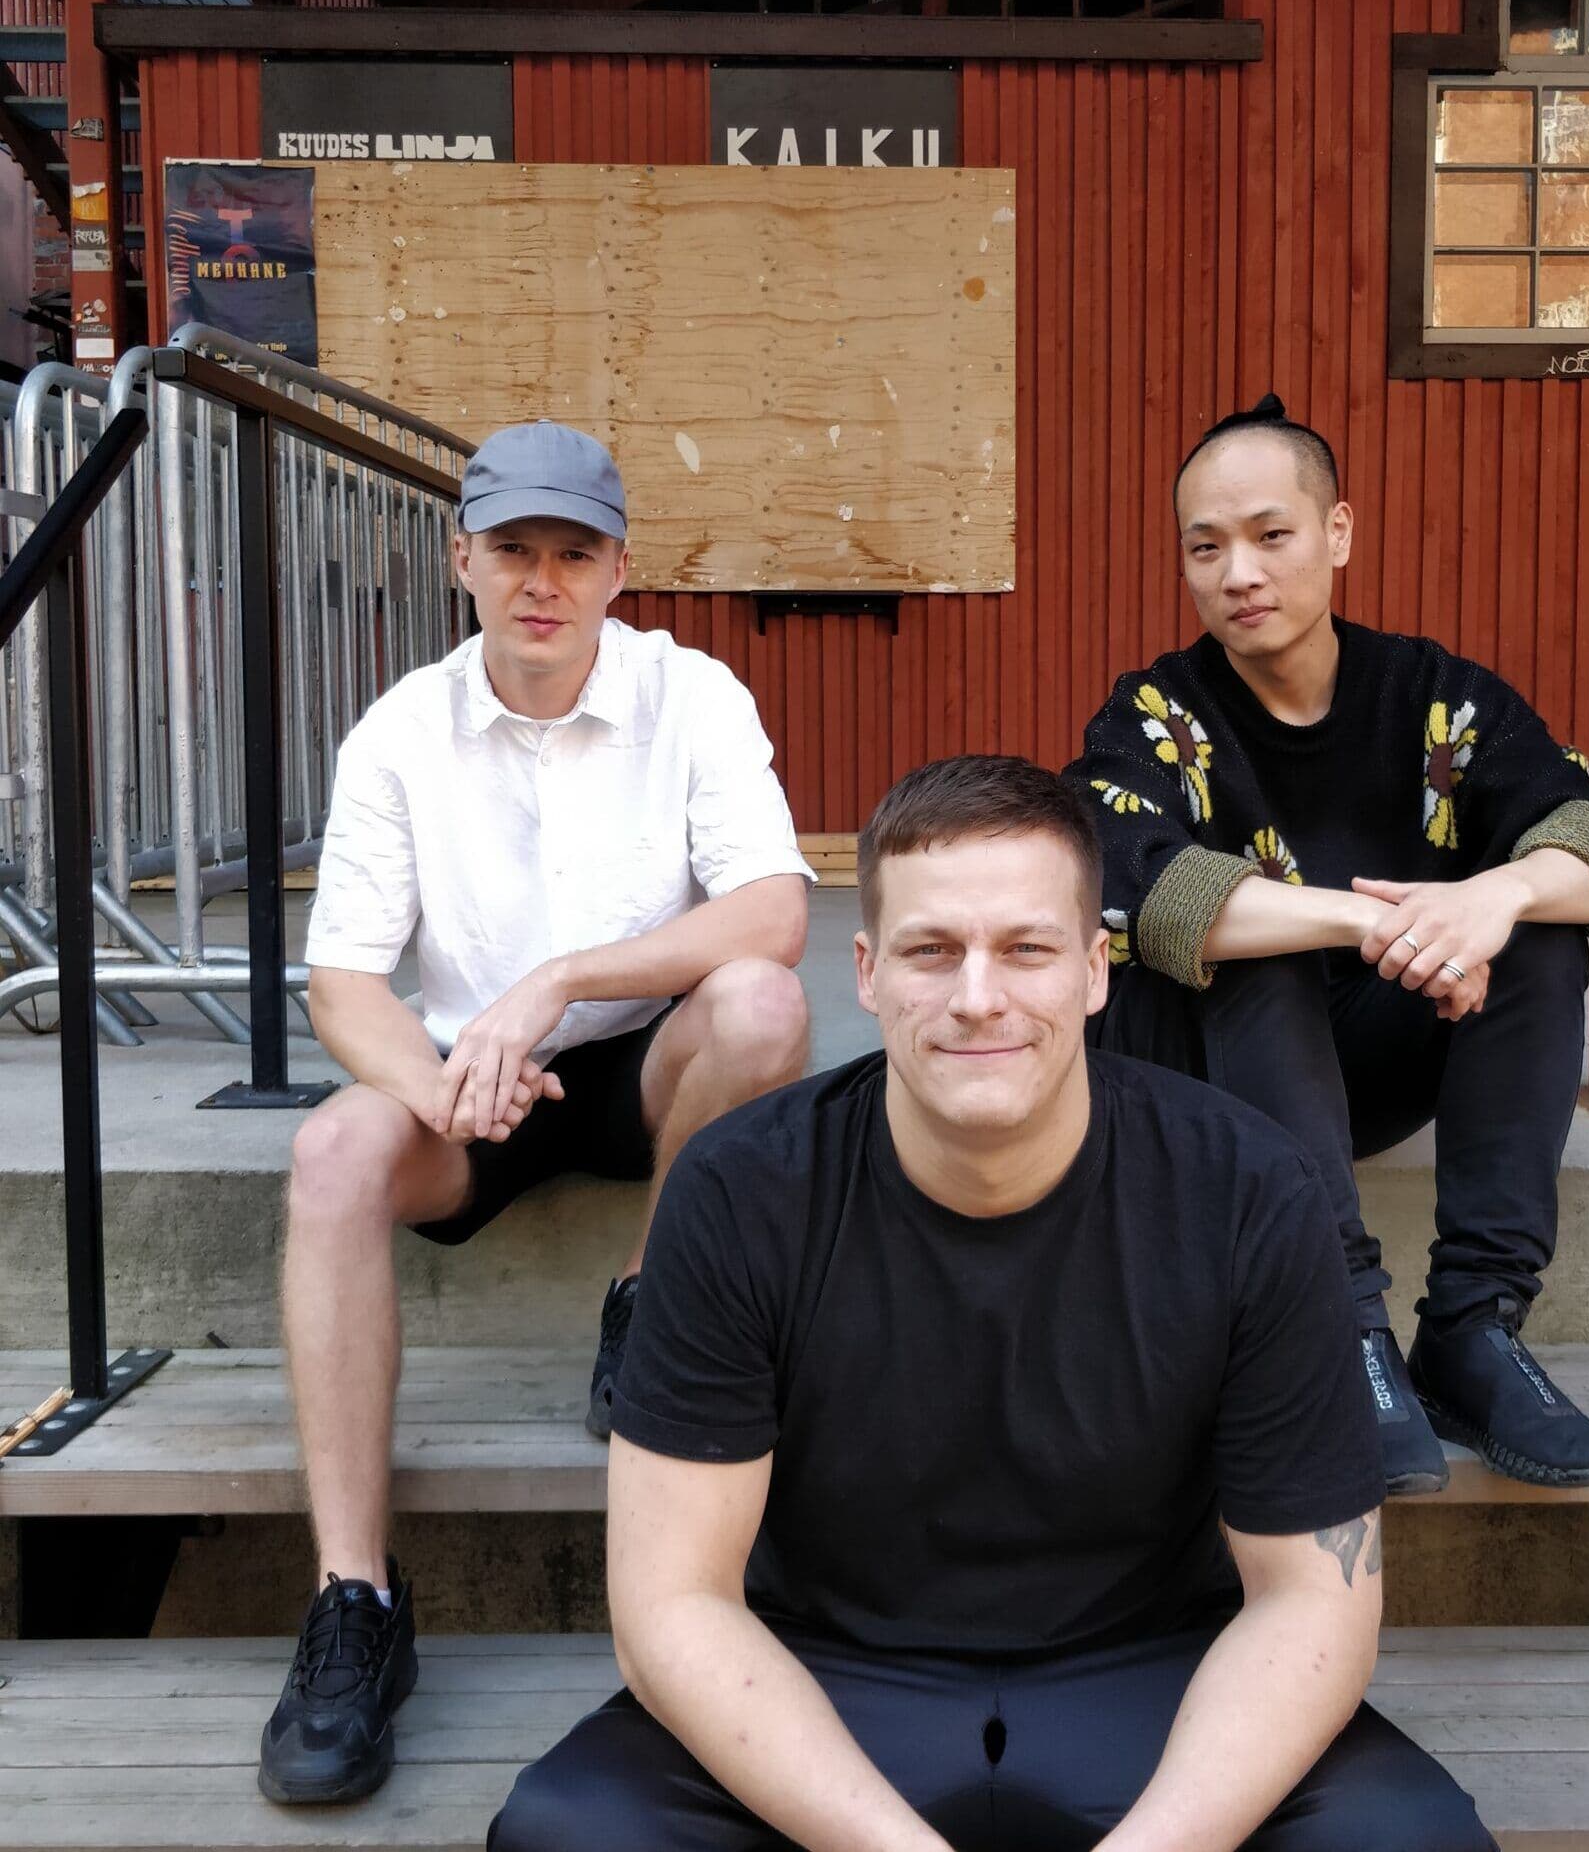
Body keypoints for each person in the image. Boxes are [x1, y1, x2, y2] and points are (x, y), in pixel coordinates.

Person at [490, 755, 1494, 1852]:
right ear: (867, 972)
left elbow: (1313, 1602)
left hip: (1159, 1674)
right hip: (822, 1674)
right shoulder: (740, 1190)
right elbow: (673, 1603)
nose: (978, 999)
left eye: (1026, 949)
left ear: (1096, 971)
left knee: (1411, 1840)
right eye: (932, 951)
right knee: (568, 1834)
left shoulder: (1249, 1192)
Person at [258, 419, 814, 1806]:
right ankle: (353, 1601)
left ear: (621, 569)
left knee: (760, 1007)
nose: (543, 582)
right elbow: (344, 982)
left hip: (649, 1068)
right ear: (462, 559)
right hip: (472, 1088)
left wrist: (559, 979)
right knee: (329, 1151)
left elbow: (773, 912)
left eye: (575, 552)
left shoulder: (693, 696)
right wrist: (431, 1085)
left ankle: (649, 1294)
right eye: (514, 549)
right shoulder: (402, 729)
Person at [1065, 395, 1589, 1498]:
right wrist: (1376, 919)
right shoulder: (1155, 714)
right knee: (1260, 940)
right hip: (1200, 1066)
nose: (1239, 573)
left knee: (1534, 935)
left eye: (1271, 535)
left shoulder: (1437, 699)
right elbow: (1138, 889)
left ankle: (1473, 1329)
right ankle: (1341, 1327)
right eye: (1206, 547)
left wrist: (1496, 897)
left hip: (1359, 1068)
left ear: (1337, 532)